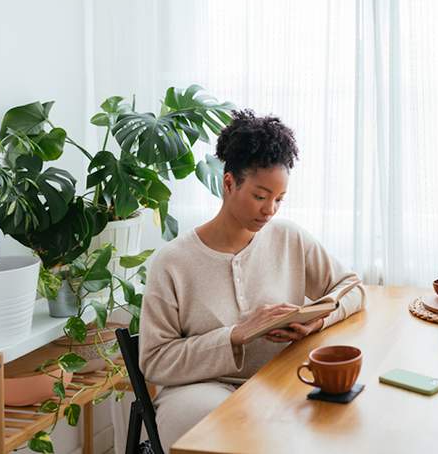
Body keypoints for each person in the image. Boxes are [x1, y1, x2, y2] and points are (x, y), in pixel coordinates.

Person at [138, 109, 365, 452]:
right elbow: (155, 361)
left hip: (280, 379)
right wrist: (234, 336)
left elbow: (352, 288)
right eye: (260, 196)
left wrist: (317, 320)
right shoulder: (172, 262)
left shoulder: (289, 238)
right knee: (228, 428)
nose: (270, 210)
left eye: (279, 199)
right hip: (197, 391)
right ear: (229, 183)